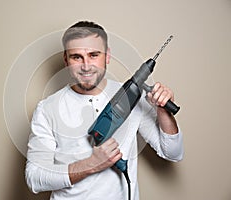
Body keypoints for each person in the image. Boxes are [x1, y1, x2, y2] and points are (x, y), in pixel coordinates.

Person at [25, 21, 184, 200]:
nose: (86, 66)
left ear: (107, 56)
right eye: (76, 57)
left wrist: (163, 111)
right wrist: (91, 164)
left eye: (94, 55)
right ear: (65, 60)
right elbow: (34, 178)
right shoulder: (47, 109)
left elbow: (173, 153)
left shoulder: (133, 98)